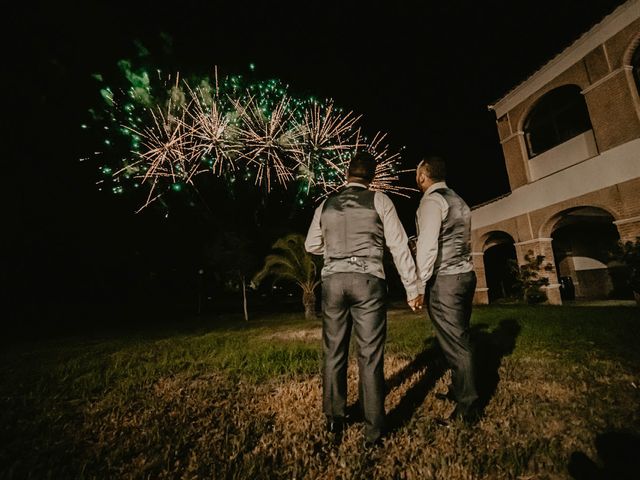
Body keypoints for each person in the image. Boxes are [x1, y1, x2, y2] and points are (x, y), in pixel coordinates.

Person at [305, 151, 421, 447]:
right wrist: (413, 287)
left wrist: (334, 252)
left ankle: (334, 418)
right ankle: (374, 430)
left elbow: (311, 244)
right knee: (370, 355)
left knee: (334, 352)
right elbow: (398, 245)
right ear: (371, 176)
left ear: (347, 174)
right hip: (369, 281)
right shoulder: (380, 200)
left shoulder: (326, 203)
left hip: (333, 282)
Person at [413, 156, 479, 423]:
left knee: (457, 344)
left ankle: (468, 409)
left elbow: (428, 246)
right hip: (466, 275)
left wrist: (418, 284)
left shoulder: (431, 201)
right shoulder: (458, 199)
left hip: (447, 280)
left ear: (422, 176)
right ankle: (457, 390)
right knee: (459, 336)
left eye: (417, 173)